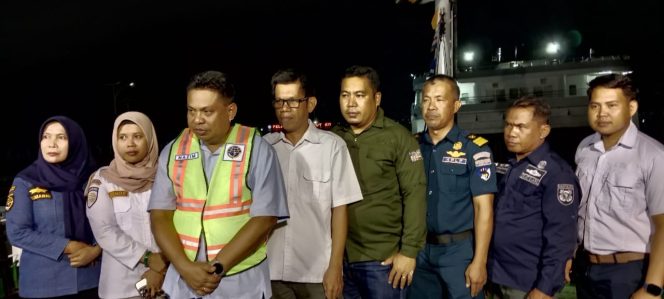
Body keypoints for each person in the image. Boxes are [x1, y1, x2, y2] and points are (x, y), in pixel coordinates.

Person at [148, 70, 289, 299]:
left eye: (207, 111)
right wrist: (184, 267)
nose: (197, 120)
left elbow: (265, 218)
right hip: (184, 282)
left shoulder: (257, 149)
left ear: (230, 111)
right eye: (191, 110)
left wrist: (217, 268)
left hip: (239, 282)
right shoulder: (174, 150)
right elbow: (160, 215)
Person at [264, 69, 363, 299]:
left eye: (293, 101)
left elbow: (339, 210)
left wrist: (335, 267)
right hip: (271, 270)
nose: (284, 108)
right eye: (279, 101)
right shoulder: (265, 148)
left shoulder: (332, 147)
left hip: (316, 273)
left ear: (310, 103)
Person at [331, 65, 426, 299]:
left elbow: (415, 194)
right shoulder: (333, 138)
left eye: (360, 95)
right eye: (345, 95)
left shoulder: (398, 137)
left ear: (377, 98)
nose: (351, 103)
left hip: (383, 261)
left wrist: (408, 252)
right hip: (340, 260)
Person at [574, 74, 664, 298]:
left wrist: (651, 288)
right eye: (595, 105)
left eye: (611, 105)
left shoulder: (653, 155)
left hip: (629, 272)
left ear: (631, 107)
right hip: (586, 268)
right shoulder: (585, 148)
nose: (602, 113)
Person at [408, 75, 496, 299]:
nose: (431, 106)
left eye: (440, 99)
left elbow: (483, 209)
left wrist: (480, 261)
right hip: (418, 252)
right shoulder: (412, 146)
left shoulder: (474, 149)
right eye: (426, 100)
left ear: (456, 105)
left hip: (458, 252)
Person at [487, 97, 579, 299]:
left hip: (526, 282)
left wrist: (545, 288)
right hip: (495, 275)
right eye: (508, 125)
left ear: (543, 131)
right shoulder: (504, 164)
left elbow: (561, 237)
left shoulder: (557, 173)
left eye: (521, 127)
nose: (511, 133)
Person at [6, 115, 101, 298]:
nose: (52, 144)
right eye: (46, 136)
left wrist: (96, 250)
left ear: (74, 142)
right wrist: (69, 246)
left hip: (92, 279)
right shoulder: (26, 181)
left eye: (61, 137)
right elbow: (17, 232)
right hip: (44, 285)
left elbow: (110, 222)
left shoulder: (94, 179)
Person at [86, 111, 168, 299]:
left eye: (138, 136)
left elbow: (179, 224)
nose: (130, 143)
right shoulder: (103, 179)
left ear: (149, 139)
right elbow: (104, 230)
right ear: (115, 141)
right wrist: (148, 258)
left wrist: (160, 266)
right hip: (120, 287)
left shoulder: (166, 176)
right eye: (123, 137)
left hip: (164, 280)